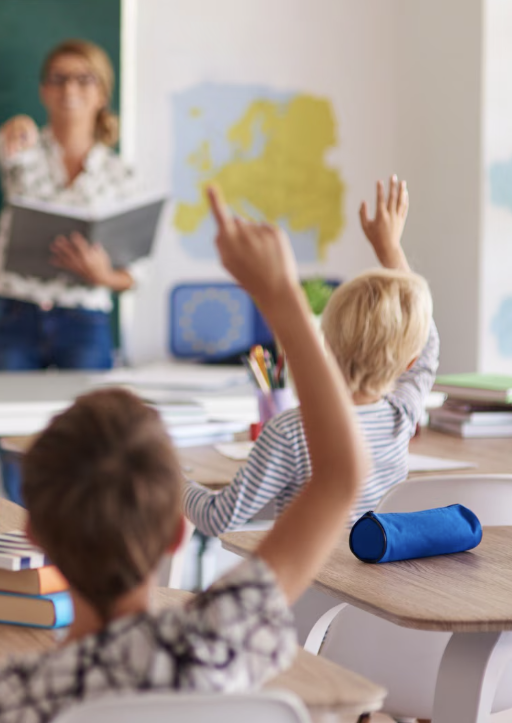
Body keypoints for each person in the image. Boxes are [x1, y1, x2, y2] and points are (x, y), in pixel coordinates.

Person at [0, 187, 370, 723]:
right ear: (177, 534)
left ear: (34, 536)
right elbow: (341, 474)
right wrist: (281, 298)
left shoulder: (12, 703)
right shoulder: (216, 643)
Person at [184, 175, 436, 535]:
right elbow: (427, 346)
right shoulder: (402, 417)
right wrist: (390, 249)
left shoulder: (291, 431)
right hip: (373, 586)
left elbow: (216, 517)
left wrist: (169, 478)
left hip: (307, 587)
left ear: (325, 344)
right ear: (409, 362)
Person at [0, 39, 142, 371]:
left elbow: (135, 273)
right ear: (43, 90)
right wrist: (17, 124)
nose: (69, 88)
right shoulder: (23, 148)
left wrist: (104, 276)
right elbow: (5, 144)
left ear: (102, 94)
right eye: (58, 78)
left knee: (90, 421)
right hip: (18, 313)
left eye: (84, 79)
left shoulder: (120, 175)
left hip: (85, 319)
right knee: (11, 418)